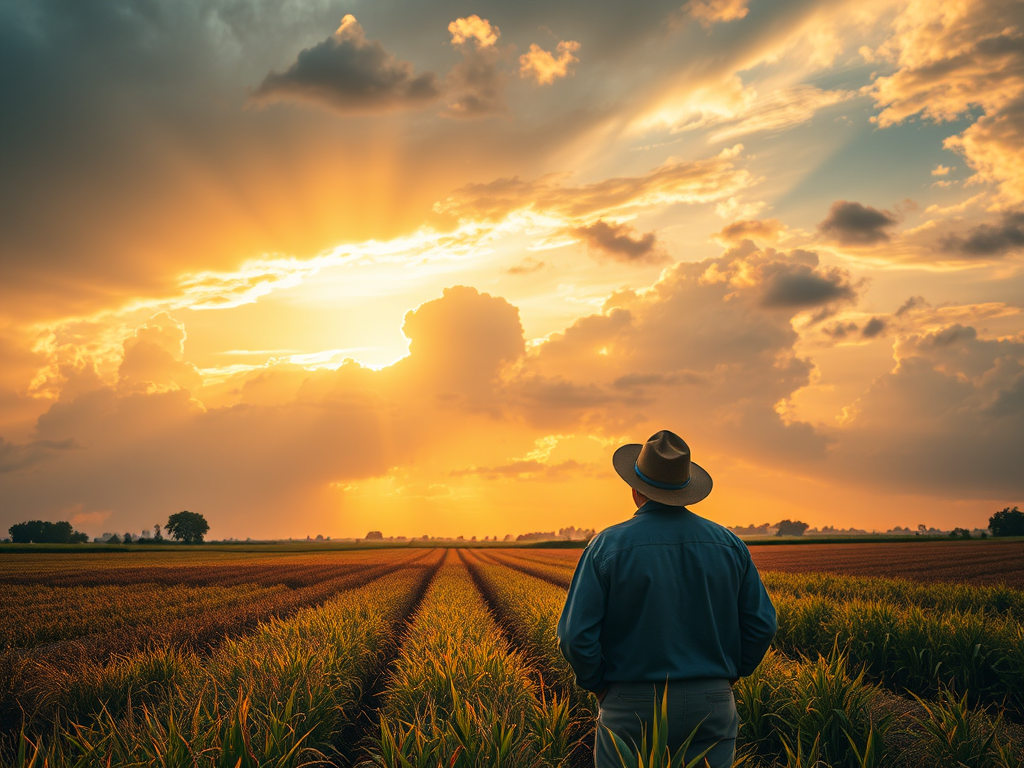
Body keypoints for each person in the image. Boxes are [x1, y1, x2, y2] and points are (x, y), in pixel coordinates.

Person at [557, 430, 777, 768]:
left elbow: (575, 636)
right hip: (711, 701)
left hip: (631, 700)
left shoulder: (607, 546)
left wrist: (598, 684)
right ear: (686, 490)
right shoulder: (729, 545)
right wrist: (730, 675)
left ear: (635, 489)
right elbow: (762, 624)